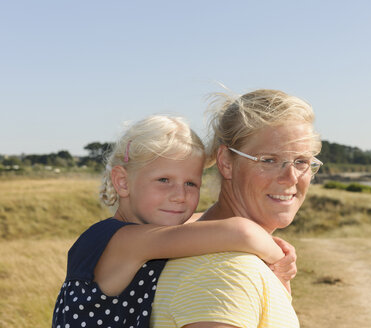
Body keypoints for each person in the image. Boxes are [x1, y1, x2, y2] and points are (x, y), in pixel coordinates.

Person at [51, 115, 295, 328]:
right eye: (164, 180)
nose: (180, 196)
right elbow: (241, 233)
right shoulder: (121, 240)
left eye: (191, 183)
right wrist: (279, 258)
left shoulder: (146, 235)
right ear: (123, 182)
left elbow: (199, 222)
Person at [151, 89, 323, 328]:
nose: (291, 177)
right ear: (226, 162)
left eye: (302, 161)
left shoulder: (210, 249)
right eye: (269, 160)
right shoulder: (225, 274)